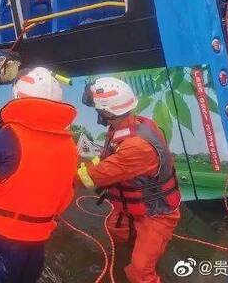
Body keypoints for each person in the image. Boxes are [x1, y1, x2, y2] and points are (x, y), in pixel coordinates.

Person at [0, 67, 79, 283]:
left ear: (18, 96)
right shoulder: (69, 146)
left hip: (0, 240)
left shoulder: (9, 135)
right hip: (36, 245)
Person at [77, 77, 181, 283]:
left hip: (156, 214)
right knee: (115, 232)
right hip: (133, 208)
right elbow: (107, 159)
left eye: (98, 108)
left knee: (140, 271)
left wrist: (62, 172)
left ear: (107, 112)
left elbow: (93, 176)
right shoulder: (131, 126)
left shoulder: (136, 147)